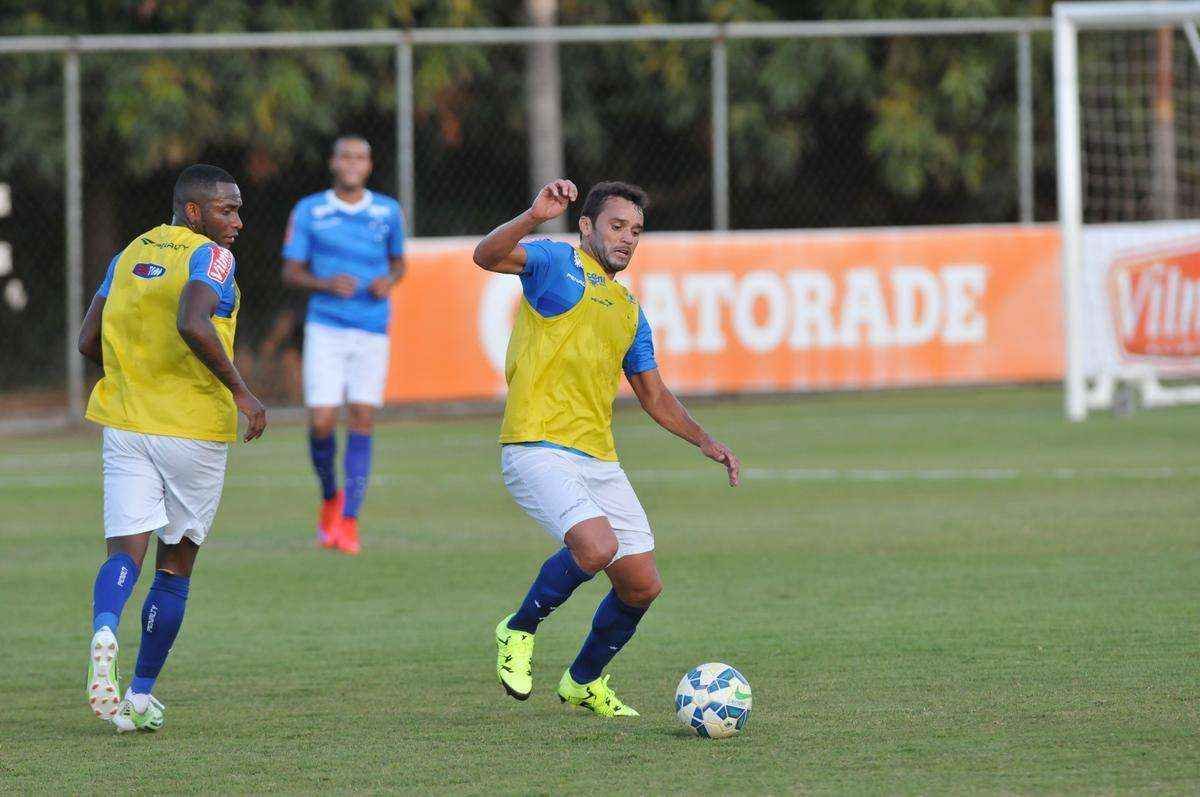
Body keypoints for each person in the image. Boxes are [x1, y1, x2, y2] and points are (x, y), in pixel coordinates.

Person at [473, 179, 741, 717]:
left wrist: (705, 441)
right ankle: (518, 629)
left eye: (636, 231)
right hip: (536, 444)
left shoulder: (627, 308)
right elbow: (487, 255)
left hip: (596, 457)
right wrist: (532, 215)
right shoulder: (554, 263)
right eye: (617, 226)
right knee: (595, 549)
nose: (627, 239)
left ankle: (583, 680)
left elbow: (653, 392)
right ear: (587, 226)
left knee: (642, 585)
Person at [78, 164, 267, 733]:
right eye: (226, 210)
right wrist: (243, 393)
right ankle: (138, 695)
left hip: (125, 422)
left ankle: (106, 629)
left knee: (124, 550)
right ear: (193, 212)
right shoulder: (212, 258)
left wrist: (139, 374)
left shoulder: (126, 254)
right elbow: (193, 320)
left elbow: (88, 340)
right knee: (176, 566)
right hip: (191, 429)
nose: (237, 221)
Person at [282, 136, 406, 555]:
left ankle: (349, 520)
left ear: (369, 165)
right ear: (334, 163)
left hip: (372, 327)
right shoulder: (310, 210)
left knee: (362, 416)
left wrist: (389, 281)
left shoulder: (387, 211)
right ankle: (330, 496)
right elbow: (291, 271)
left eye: (361, 157)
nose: (353, 163)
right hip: (326, 327)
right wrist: (324, 283)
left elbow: (399, 262)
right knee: (320, 421)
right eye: (346, 156)